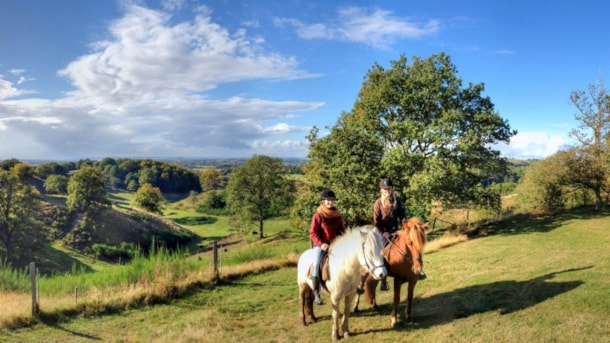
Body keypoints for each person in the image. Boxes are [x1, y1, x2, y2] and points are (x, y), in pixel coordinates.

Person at [309, 188, 345, 305]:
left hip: (335, 244)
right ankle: (316, 292)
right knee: (315, 264)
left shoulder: (337, 215)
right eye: (328, 200)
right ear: (323, 201)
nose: (330, 202)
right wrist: (321, 244)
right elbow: (313, 233)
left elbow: (341, 230)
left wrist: (343, 239)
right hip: (321, 245)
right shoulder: (318, 215)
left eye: (332, 200)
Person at [373, 178, 410, 291]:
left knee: (409, 245)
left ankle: (414, 268)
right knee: (382, 251)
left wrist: (406, 227)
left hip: (395, 230)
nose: (387, 190)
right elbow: (376, 221)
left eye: (389, 188)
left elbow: (402, 216)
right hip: (382, 231)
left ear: (392, 189)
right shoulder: (378, 203)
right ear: (382, 190)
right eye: (385, 189)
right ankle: (383, 279)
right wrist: (383, 231)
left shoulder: (397, 201)